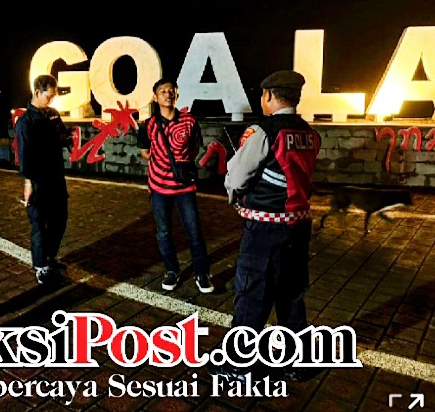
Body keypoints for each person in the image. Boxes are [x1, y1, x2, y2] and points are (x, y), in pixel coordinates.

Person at [208, 70, 321, 382]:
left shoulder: (263, 131)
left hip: (265, 229)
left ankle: (238, 364)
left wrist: (234, 196)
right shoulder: (309, 133)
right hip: (299, 226)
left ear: (269, 96)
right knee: (291, 295)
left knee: (252, 294)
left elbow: (237, 177)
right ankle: (298, 361)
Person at [137, 77, 214, 294]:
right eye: (163, 91)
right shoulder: (148, 125)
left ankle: (202, 273)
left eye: (171, 91)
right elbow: (145, 152)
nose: (168, 94)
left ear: (176, 94)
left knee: (194, 230)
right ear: (155, 97)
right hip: (158, 187)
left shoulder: (189, 121)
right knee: (163, 232)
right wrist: (162, 164)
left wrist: (181, 164)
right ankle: (171, 270)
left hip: (184, 186)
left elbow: (194, 147)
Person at [14, 74, 73, 284]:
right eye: (49, 95)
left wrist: (70, 139)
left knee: (60, 219)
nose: (52, 99)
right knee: (39, 224)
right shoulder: (25, 122)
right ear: (38, 93)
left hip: (56, 177)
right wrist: (28, 183)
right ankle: (40, 267)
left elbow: (62, 136)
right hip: (38, 180)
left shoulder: (53, 115)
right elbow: (24, 154)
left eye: (54, 96)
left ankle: (50, 257)